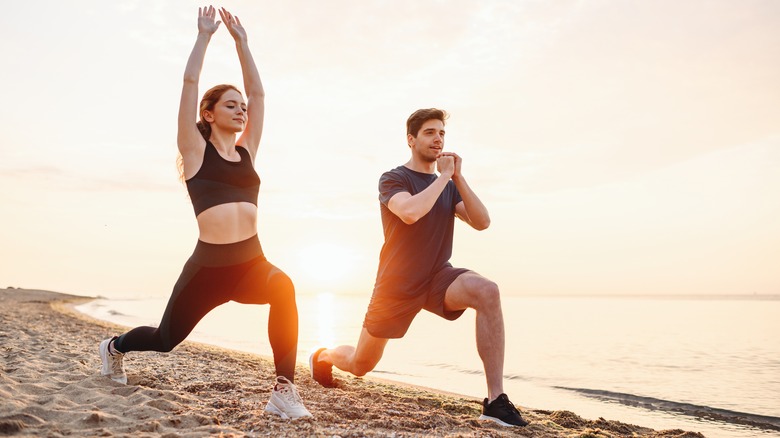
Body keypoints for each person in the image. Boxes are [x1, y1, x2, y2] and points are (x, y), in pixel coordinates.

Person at [98, 6, 312, 420]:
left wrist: (243, 44)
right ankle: (114, 346)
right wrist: (204, 36)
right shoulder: (195, 153)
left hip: (252, 263)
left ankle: (283, 391)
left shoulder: (247, 151)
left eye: (242, 106)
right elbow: (190, 81)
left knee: (283, 287)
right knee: (164, 339)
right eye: (231, 105)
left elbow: (261, 95)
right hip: (207, 269)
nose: (242, 110)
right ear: (209, 114)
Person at [309, 108, 527, 427]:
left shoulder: (450, 185)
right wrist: (443, 178)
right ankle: (323, 355)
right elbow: (410, 212)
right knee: (361, 364)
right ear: (411, 140)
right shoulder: (394, 178)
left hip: (438, 276)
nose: (438, 138)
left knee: (487, 291)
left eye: (442, 133)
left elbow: (482, 222)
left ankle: (495, 400)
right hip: (395, 286)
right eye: (430, 132)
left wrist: (458, 178)